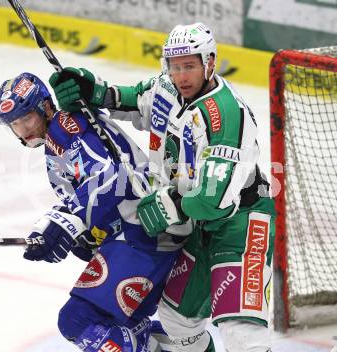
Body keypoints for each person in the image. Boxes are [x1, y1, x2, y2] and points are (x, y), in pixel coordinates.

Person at [49, 22, 276, 352]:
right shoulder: (166, 89)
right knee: (177, 319)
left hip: (241, 221)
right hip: (199, 227)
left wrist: (168, 203)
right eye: (175, 66)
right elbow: (129, 99)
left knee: (240, 331)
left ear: (209, 62)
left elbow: (212, 201)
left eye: (190, 66)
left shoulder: (227, 115)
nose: (182, 76)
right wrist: (90, 91)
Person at [0, 72, 189, 352]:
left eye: (27, 118)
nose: (23, 129)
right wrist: (89, 234)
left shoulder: (65, 127)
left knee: (77, 320)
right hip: (139, 232)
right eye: (15, 124)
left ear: (46, 108)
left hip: (143, 232)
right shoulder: (60, 134)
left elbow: (111, 177)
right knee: (121, 324)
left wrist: (67, 218)